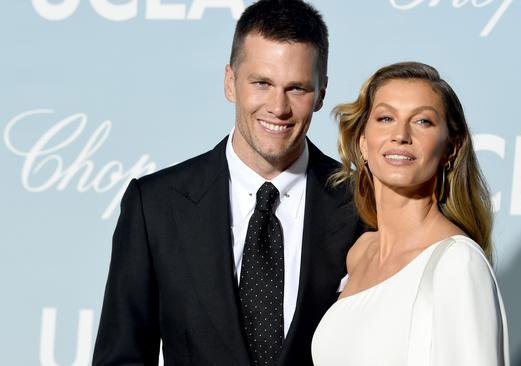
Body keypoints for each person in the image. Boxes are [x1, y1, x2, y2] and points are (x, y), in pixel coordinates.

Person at [92, 1, 362, 365]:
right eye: (262, 83)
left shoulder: (362, 203)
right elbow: (121, 357)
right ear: (230, 82)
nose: (278, 107)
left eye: (296, 88)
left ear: (321, 93)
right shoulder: (155, 205)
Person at [311, 62, 510, 365]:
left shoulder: (457, 263)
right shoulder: (360, 253)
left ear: (450, 149)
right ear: (362, 142)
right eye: (386, 118)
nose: (400, 135)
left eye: (422, 122)